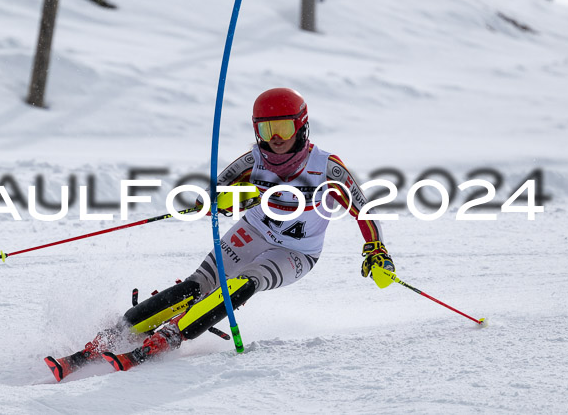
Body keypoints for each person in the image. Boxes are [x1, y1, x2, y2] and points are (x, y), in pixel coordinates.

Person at [45, 88, 395, 381]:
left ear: (301, 127)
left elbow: (363, 210)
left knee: (244, 284)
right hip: (255, 230)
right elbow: (220, 191)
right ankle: (112, 335)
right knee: (196, 286)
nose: (276, 139)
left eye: (284, 128)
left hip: (296, 253)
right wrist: (218, 201)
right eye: (268, 129)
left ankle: (171, 336)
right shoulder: (252, 161)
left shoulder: (327, 168)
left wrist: (376, 250)